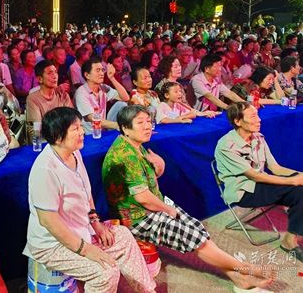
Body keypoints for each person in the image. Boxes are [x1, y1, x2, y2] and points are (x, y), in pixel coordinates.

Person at [103, 105, 277, 292]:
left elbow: (152, 177)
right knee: (195, 238)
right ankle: (247, 269)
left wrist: (159, 165)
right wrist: (168, 209)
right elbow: (143, 197)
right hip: (138, 217)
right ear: (125, 127)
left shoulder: (134, 145)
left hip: (152, 205)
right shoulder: (125, 155)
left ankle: (238, 278)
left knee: (197, 230)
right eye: (140, 123)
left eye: (148, 121)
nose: (147, 126)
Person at [24, 107, 156, 293]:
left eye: (81, 127)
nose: (82, 132)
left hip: (81, 230)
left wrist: (96, 224)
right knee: (105, 272)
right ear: (58, 137)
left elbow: (86, 193)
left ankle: (147, 290)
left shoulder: (74, 153)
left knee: (123, 236)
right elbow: (48, 221)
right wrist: (86, 250)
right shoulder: (45, 170)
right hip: (53, 244)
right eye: (75, 129)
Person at [215, 102, 303, 262]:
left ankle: (291, 237)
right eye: (253, 116)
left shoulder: (258, 137)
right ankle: (289, 241)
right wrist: (293, 181)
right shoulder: (226, 145)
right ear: (238, 121)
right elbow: (255, 176)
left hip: (260, 184)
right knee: (298, 190)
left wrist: (299, 175)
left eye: (257, 115)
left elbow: (275, 168)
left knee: (299, 191)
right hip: (243, 192)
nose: (259, 119)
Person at [74, 57, 129, 134]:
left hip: (103, 129)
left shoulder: (103, 88)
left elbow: (125, 98)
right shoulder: (81, 93)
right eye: (97, 70)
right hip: (89, 134)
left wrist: (112, 78)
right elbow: (92, 118)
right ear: (87, 75)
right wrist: (117, 125)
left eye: (102, 70)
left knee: (122, 104)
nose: (102, 73)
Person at [26, 60, 73, 139]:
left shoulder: (63, 95)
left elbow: (72, 119)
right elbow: (37, 129)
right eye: (50, 73)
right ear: (40, 79)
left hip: (65, 138)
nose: (55, 76)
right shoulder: (33, 99)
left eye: (56, 72)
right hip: (46, 140)